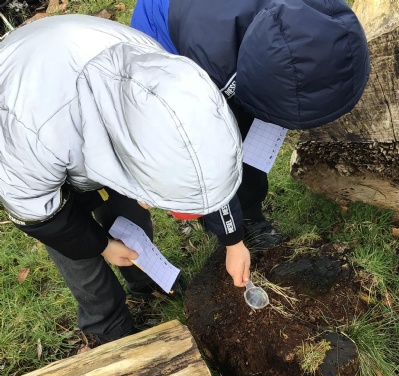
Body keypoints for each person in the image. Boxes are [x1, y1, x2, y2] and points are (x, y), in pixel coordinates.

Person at [0, 14, 250, 344]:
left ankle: (146, 281)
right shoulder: (33, 135)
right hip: (33, 123)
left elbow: (204, 167)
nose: (150, 205)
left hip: (87, 104)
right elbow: (41, 217)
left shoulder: (164, 85)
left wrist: (234, 240)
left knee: (129, 218)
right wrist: (101, 246)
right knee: (79, 256)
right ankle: (109, 327)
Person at [131, 0, 370, 250]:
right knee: (230, 138)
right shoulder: (204, 75)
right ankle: (229, 220)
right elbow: (206, 158)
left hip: (228, 28)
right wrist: (232, 241)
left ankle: (248, 210)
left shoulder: (315, 13)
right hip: (167, 37)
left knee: (250, 130)